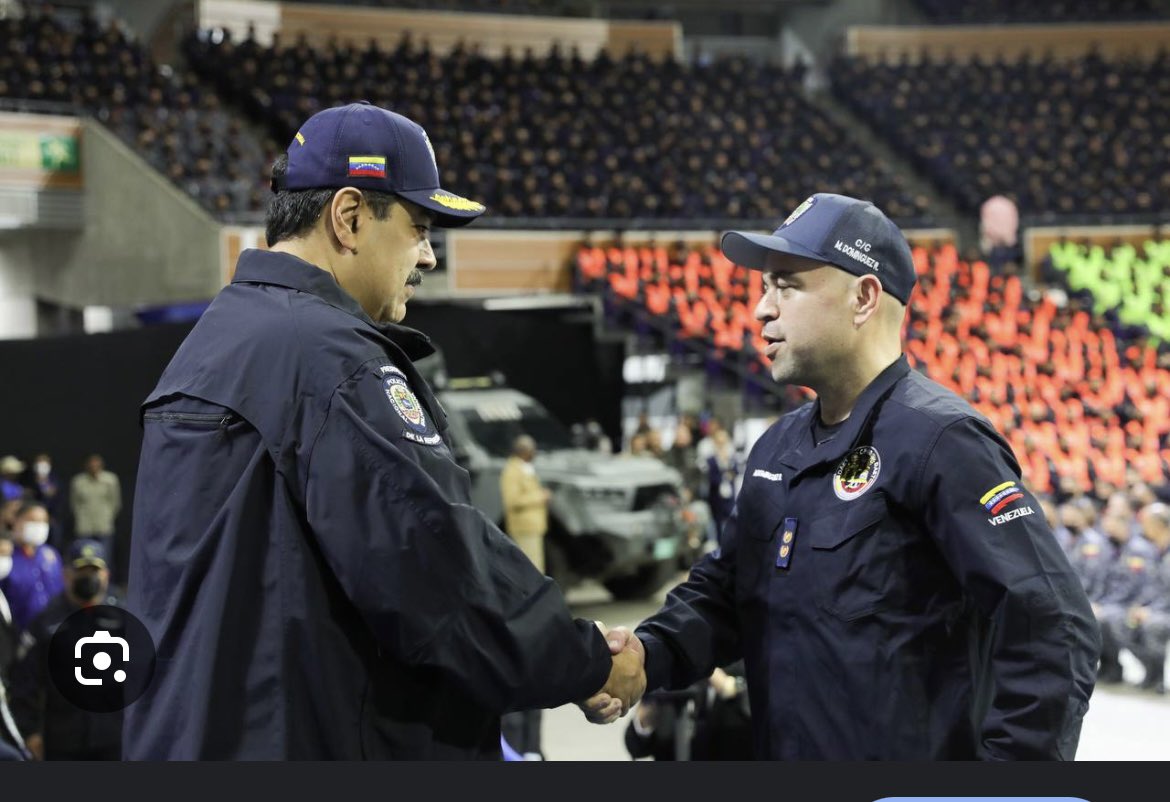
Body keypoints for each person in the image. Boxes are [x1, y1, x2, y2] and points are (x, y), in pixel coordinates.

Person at [125, 101, 643, 760]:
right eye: (419, 227)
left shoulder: (207, 346)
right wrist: (589, 661)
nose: (427, 256)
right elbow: (436, 575)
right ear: (348, 217)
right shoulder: (331, 358)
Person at [588, 193, 1100, 759]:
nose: (761, 309)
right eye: (763, 288)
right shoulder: (775, 448)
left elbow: (1053, 627)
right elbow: (726, 596)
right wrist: (647, 655)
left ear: (864, 297)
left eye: (785, 285)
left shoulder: (942, 441)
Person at [9, 539, 121, 761]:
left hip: (113, 736)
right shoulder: (46, 622)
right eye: (81, 571)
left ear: (106, 575)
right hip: (63, 737)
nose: (88, 578)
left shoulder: (122, 616)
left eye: (94, 571)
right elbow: (24, 681)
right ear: (66, 575)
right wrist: (30, 732)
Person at [498, 433, 552, 759]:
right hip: (523, 530)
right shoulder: (512, 472)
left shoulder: (527, 470)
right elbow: (511, 501)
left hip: (535, 530)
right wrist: (537, 498)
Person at [0, 503, 63, 633]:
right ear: (16, 520)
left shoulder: (51, 555)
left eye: (43, 521)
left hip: (51, 630)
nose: (39, 526)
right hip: (15, 632)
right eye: (33, 520)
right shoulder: (5, 555)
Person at [69, 454, 121, 552]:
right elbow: (74, 503)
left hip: (104, 525)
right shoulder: (78, 481)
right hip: (84, 526)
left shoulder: (111, 480)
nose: (94, 468)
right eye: (91, 466)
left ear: (101, 466)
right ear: (87, 466)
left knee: (105, 557)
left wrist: (109, 516)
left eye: (97, 465)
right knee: (84, 556)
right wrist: (79, 516)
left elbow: (116, 503)